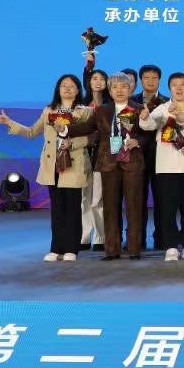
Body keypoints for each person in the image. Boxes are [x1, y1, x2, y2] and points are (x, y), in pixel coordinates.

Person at [0, 74, 94, 262]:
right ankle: (56, 248)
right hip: (53, 165)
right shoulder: (49, 110)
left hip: (73, 164)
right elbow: (32, 132)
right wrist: (9, 123)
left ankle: (71, 249)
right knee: (57, 209)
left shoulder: (85, 112)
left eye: (72, 85)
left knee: (73, 208)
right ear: (58, 89)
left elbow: (91, 138)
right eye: (63, 85)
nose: (67, 88)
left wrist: (72, 143)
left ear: (78, 90)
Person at [71, 72, 151, 260]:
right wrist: (65, 129)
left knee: (134, 207)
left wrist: (138, 141)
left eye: (123, 86)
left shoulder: (139, 109)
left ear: (130, 89)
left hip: (132, 162)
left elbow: (149, 133)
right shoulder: (102, 110)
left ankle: (134, 249)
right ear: (110, 90)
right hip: (109, 163)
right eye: (114, 87)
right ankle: (112, 250)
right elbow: (86, 127)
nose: (119, 90)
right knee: (110, 208)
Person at [139, 72, 184, 261]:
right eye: (174, 85)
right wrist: (144, 118)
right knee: (167, 209)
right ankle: (171, 247)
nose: (179, 88)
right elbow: (149, 125)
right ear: (169, 89)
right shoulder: (162, 108)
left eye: (182, 84)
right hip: (166, 167)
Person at [132, 65, 167, 250]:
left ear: (159, 80)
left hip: (162, 157)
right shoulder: (132, 102)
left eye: (154, 77)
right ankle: (138, 239)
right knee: (138, 200)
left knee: (163, 200)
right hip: (137, 157)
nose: (150, 81)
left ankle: (162, 239)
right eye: (147, 77)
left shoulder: (167, 102)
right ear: (140, 80)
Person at [79, 66, 110, 252]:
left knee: (98, 199)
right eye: (94, 78)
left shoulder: (109, 104)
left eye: (102, 79)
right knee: (84, 198)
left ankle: (100, 237)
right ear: (88, 82)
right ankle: (84, 236)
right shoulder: (81, 104)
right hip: (82, 154)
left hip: (102, 155)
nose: (98, 82)